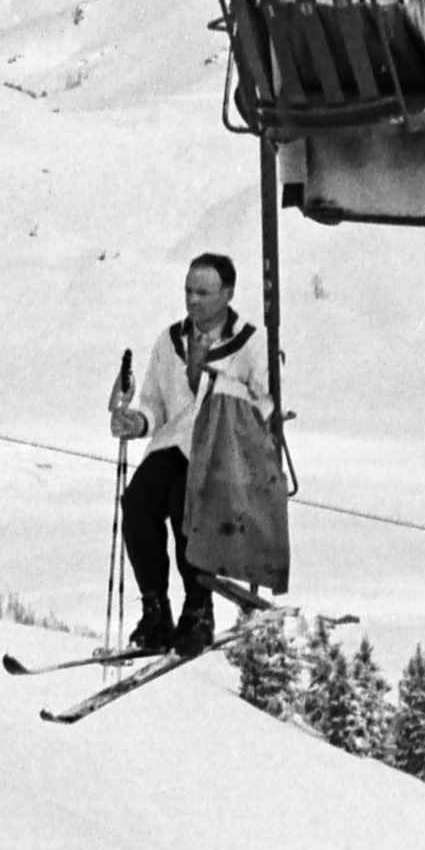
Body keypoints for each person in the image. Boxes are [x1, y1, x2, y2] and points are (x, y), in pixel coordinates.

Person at [107, 250, 261, 660]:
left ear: (227, 294)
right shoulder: (171, 340)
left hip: (219, 451)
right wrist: (138, 423)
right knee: (138, 501)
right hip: (175, 443)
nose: (192, 301)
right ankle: (156, 608)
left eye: (203, 293)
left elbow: (265, 402)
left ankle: (198, 610)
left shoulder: (249, 344)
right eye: (188, 291)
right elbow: (155, 402)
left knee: (186, 504)